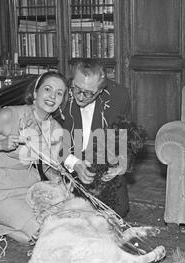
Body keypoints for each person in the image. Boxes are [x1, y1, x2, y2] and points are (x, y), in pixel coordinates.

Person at [0, 71, 68, 244]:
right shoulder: (9, 115)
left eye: (59, 93)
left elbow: (47, 167)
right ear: (35, 93)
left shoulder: (55, 129)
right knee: (41, 233)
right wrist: (1, 145)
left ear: (62, 101)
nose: (53, 96)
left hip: (28, 188)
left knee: (55, 227)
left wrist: (61, 180)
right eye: (48, 89)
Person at [56, 60, 131, 218]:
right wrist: (74, 164)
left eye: (88, 93)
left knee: (118, 212)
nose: (81, 97)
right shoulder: (58, 94)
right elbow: (49, 142)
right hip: (66, 162)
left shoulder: (119, 97)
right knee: (69, 212)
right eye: (76, 89)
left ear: (100, 91)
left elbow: (122, 136)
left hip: (100, 162)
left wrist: (119, 163)